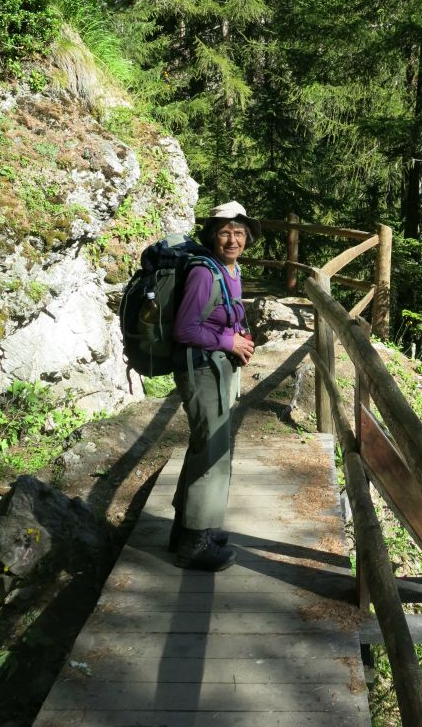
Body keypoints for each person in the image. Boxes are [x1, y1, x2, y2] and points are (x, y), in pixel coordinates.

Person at [170, 200, 259, 571]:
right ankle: (194, 543)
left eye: (239, 233)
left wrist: (238, 335)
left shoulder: (230, 270)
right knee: (212, 453)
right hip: (202, 370)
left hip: (216, 367)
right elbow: (185, 329)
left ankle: (188, 527)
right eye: (224, 232)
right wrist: (229, 343)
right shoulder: (205, 274)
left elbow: (219, 315)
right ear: (212, 235)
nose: (232, 239)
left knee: (205, 447)